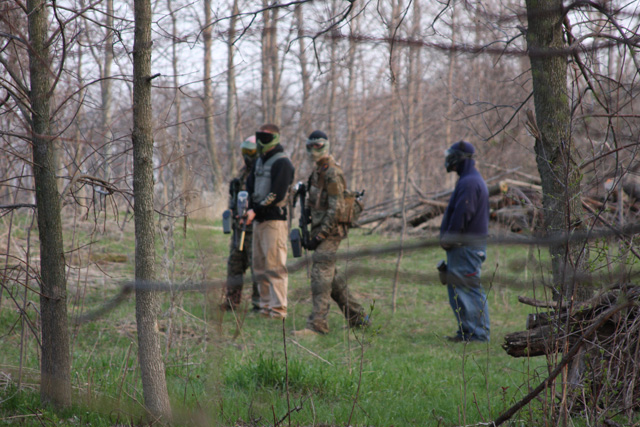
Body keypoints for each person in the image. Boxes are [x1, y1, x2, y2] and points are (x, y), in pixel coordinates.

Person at [293, 130, 368, 336]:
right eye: (310, 146)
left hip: (331, 231)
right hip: (320, 228)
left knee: (320, 273)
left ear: (325, 146)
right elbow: (314, 202)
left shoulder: (332, 172)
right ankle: (358, 318)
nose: (313, 150)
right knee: (332, 278)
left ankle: (318, 325)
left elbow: (336, 209)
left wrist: (321, 235)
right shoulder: (318, 171)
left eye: (318, 146)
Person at [439, 140, 490, 343]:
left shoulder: (469, 182)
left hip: (466, 248)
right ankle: (468, 332)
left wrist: (450, 238)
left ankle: (477, 335)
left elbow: (463, 213)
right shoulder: (469, 180)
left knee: (468, 289)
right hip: (465, 247)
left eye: (451, 155)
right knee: (461, 290)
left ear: (459, 159)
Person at [244, 124, 295, 319]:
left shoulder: (283, 163)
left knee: (275, 266)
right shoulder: (259, 161)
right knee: (259, 266)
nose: (262, 141)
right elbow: (250, 186)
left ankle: (278, 310)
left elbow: (276, 194)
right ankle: (265, 308)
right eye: (260, 137)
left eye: (266, 137)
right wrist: (247, 208)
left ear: (275, 138)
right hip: (257, 220)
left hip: (274, 221)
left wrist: (254, 210)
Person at [221, 136, 260, 312]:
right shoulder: (243, 173)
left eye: (250, 152)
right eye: (245, 152)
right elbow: (235, 198)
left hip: (254, 227)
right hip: (239, 226)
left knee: (256, 266)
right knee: (235, 264)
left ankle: (258, 304)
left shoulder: (261, 174)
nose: (247, 156)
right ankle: (231, 301)